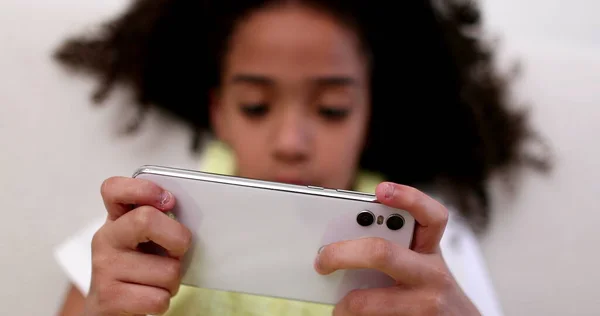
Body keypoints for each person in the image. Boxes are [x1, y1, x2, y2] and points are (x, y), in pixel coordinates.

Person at [53, 0, 549, 315]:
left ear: (368, 115)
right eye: (256, 106)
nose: (291, 141)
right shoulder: (138, 232)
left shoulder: (429, 246)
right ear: (219, 113)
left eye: (332, 110)